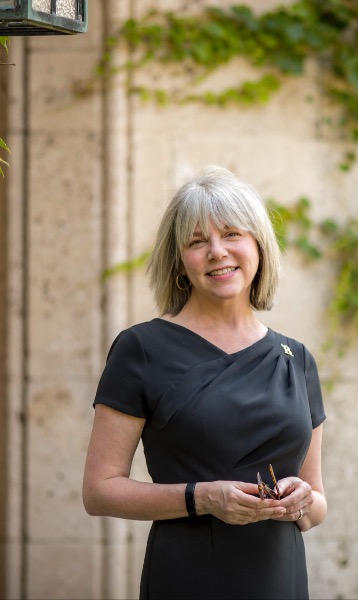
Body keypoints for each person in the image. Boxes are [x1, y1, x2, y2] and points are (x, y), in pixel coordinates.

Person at [83, 166, 327, 600]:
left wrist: (303, 501)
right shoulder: (141, 348)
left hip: (281, 580)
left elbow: (317, 505)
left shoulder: (298, 359)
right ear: (180, 262)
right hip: (187, 578)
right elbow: (99, 492)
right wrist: (203, 499)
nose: (217, 251)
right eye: (197, 242)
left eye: (232, 234)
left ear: (259, 246)